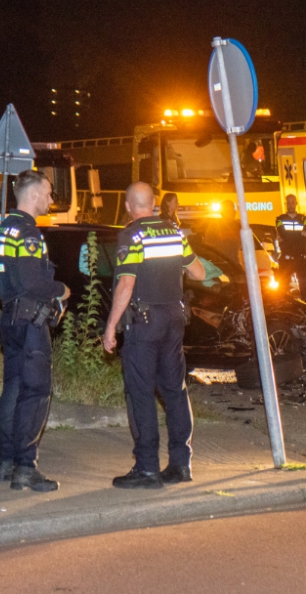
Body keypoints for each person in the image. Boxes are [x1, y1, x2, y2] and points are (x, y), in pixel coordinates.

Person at [103, 182, 206, 489]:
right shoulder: (175, 232)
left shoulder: (132, 235)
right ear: (154, 204)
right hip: (174, 319)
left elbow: (126, 285)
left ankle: (147, 468)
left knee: (141, 393)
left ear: (128, 206)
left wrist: (111, 326)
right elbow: (198, 272)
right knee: (175, 390)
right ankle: (180, 464)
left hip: (145, 322)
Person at [0, 170, 70, 492]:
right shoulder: (28, 233)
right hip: (30, 323)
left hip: (9, 319)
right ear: (34, 194)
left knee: (13, 391)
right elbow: (32, 282)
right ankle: (26, 468)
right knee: (35, 394)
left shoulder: (1, 230)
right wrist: (62, 289)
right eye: (48, 193)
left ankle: (5, 462)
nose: (51, 199)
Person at [275, 194, 306, 303]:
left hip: (301, 258)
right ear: (286, 204)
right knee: (282, 290)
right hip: (286, 259)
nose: (291, 205)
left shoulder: (304, 218)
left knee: (305, 289)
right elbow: (283, 233)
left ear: (296, 203)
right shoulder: (279, 219)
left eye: (293, 202)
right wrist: (300, 234)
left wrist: (288, 236)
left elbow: (286, 236)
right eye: (289, 202)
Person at [203, 199, 242, 266]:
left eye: (232, 210)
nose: (232, 212)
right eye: (228, 211)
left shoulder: (239, 226)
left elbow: (246, 245)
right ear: (222, 212)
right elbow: (208, 248)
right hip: (220, 264)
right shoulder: (214, 227)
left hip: (235, 263)